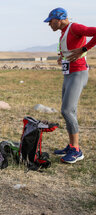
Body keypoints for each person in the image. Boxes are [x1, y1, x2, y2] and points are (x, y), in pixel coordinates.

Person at [44, 7, 96, 163]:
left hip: (78, 73)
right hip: (68, 74)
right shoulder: (64, 32)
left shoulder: (75, 27)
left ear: (59, 19)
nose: (49, 25)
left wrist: (84, 49)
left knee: (67, 110)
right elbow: (69, 47)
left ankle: (76, 150)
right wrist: (62, 57)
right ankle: (71, 146)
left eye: (50, 21)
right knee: (68, 111)